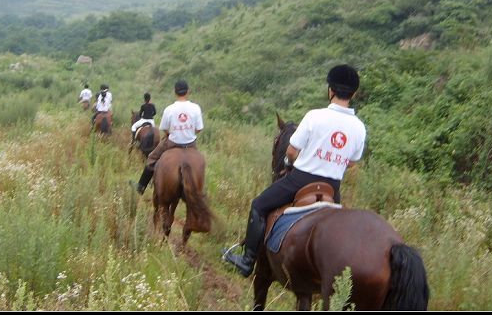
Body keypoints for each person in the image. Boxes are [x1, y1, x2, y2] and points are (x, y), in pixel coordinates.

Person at [222, 64, 366, 277]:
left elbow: (291, 151)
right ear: (353, 93)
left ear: (330, 90)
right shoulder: (359, 127)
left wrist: (292, 162)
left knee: (258, 205)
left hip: (300, 180)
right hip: (332, 189)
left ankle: (247, 260)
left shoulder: (314, 116)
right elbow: (352, 162)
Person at [130, 80, 203, 194]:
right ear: (188, 91)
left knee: (152, 158)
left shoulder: (169, 109)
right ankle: (200, 191)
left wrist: (172, 133)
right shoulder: (196, 108)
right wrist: (188, 132)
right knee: (199, 162)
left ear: (175, 92)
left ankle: (141, 187)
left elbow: (164, 128)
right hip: (191, 144)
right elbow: (199, 129)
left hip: (172, 142)